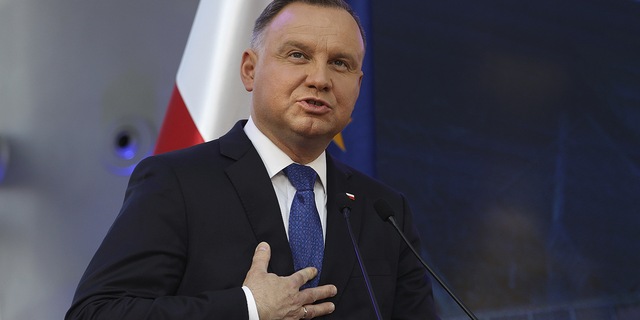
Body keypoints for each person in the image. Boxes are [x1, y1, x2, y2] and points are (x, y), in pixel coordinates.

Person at [65, 0, 440, 319]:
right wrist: (248, 308)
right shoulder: (177, 182)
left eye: (340, 64)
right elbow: (97, 312)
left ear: (357, 86)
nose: (320, 79)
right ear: (249, 69)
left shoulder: (385, 211)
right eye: (298, 55)